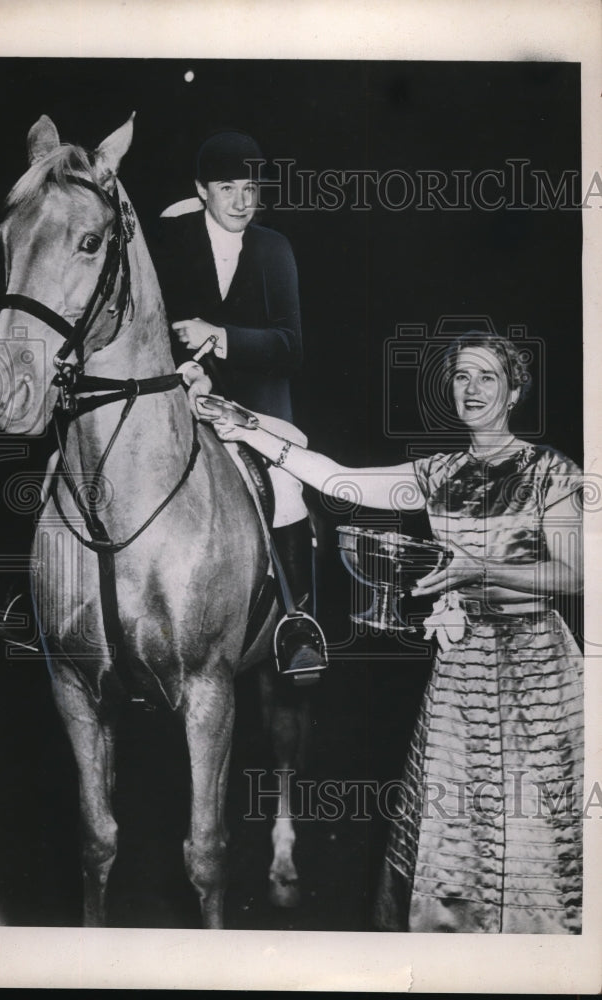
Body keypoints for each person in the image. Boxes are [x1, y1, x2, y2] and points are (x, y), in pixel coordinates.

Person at [209, 330, 584, 934]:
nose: (473, 389)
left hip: (536, 672)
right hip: (460, 666)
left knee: (533, 820)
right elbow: (336, 479)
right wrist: (249, 428)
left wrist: (478, 569)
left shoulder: (551, 471)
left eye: (488, 377)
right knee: (456, 822)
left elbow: (574, 575)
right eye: (462, 377)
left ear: (514, 392)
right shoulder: (441, 471)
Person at [152, 129, 327, 681]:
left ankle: (297, 625)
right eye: (227, 188)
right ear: (200, 190)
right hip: (180, 402)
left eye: (250, 188)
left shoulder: (275, 248)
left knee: (287, 492)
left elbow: (291, 346)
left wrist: (219, 335)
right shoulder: (170, 238)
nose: (242, 202)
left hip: (257, 413)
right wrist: (183, 368)